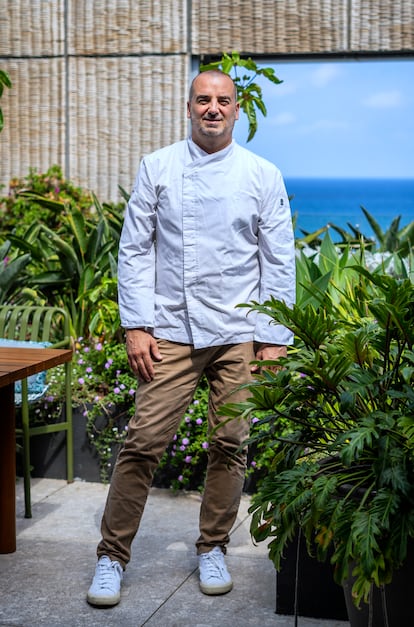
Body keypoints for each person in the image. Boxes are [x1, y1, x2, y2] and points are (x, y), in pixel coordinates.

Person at [87, 69, 295, 607]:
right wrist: (136, 325)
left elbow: (277, 260)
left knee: (231, 444)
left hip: (238, 332)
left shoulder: (262, 174)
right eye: (204, 100)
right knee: (142, 442)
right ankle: (111, 557)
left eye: (223, 101)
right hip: (172, 328)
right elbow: (134, 250)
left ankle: (213, 546)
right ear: (188, 107)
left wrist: (273, 339)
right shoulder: (158, 167)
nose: (213, 109)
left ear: (236, 110)